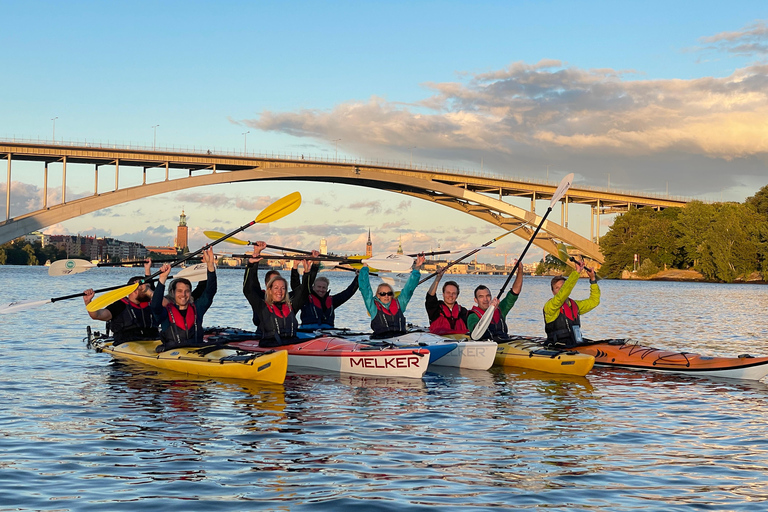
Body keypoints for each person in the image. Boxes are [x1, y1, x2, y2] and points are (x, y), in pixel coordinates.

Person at [243, 242, 310, 346]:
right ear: (269, 289)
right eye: (276, 288)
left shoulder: (292, 306)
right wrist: (251, 264)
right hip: (270, 345)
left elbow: (304, 291)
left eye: (283, 288)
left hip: (292, 344)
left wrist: (307, 273)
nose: (280, 291)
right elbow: (248, 289)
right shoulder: (262, 306)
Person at [150, 248, 217, 351]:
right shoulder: (165, 314)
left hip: (197, 350)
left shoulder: (197, 309)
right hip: (171, 351)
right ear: (173, 293)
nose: (183, 294)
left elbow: (210, 292)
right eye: (180, 291)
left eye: (187, 291)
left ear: (190, 293)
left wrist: (210, 266)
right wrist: (162, 279)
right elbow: (155, 306)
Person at [83, 258, 156, 344]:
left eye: (147, 288)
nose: (147, 291)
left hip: (153, 340)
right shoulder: (119, 306)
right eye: (144, 289)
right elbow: (97, 315)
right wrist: (88, 302)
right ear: (134, 290)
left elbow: (153, 291)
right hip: (126, 342)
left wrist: (147, 269)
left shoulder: (152, 303)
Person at [359, 254, 425, 338]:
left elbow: (409, 289)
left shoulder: (400, 304)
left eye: (389, 293)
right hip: (380, 341)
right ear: (377, 296)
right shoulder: (373, 307)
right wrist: (365, 267)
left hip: (400, 339)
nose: (386, 296)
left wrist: (417, 268)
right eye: (382, 294)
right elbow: (365, 289)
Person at [543, 259, 600, 348]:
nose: (561, 289)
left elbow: (594, 301)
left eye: (563, 286)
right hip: (557, 346)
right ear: (553, 292)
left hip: (574, 343)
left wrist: (593, 280)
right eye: (557, 288)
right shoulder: (550, 306)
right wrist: (577, 272)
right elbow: (563, 294)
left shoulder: (575, 305)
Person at [466, 259, 523, 340]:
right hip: (486, 345)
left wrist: (520, 270)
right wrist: (490, 311)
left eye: (488, 296)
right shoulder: (472, 316)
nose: (485, 299)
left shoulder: (500, 309)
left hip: (504, 341)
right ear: (476, 300)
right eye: (481, 297)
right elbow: (476, 331)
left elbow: (515, 292)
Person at [290, 263, 359, 330]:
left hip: (328, 333)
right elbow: (296, 286)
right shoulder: (305, 298)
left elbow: (348, 292)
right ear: (313, 287)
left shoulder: (332, 300)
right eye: (319, 287)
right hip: (308, 332)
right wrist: (295, 267)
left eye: (324, 288)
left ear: (326, 289)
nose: (321, 290)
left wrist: (358, 277)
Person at [425, 267, 468, 335]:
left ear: (457, 295)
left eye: (453, 293)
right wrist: (438, 278)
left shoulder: (463, 312)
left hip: (459, 342)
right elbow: (430, 296)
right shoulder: (435, 309)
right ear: (443, 294)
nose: (451, 295)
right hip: (439, 341)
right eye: (448, 293)